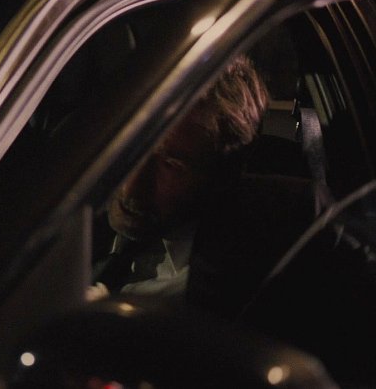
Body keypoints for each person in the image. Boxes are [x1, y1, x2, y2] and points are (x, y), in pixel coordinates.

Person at [89, 55, 269, 300]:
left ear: (220, 176)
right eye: (132, 146)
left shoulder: (217, 294)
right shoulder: (72, 214)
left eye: (172, 165)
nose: (132, 186)